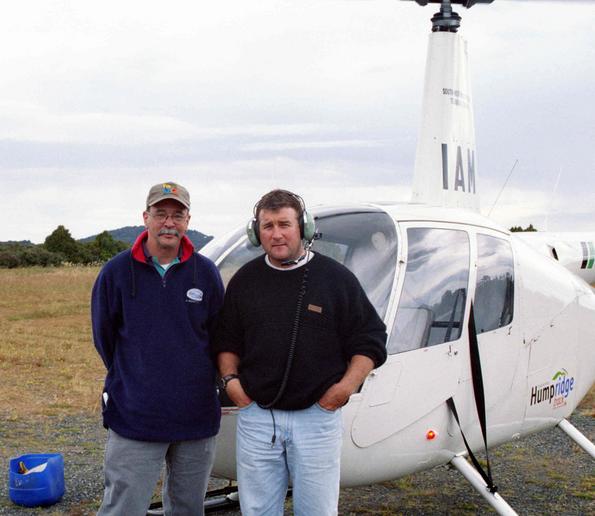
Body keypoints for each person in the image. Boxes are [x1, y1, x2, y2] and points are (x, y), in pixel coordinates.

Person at [213, 189, 387, 516]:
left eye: (284, 224)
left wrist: (343, 390)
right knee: (257, 511)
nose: (276, 234)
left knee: (317, 511)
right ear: (256, 232)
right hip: (257, 417)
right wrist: (232, 385)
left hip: (317, 419)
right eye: (267, 226)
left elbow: (370, 339)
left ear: (303, 228)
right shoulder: (245, 281)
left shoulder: (336, 279)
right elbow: (226, 342)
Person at [91, 182, 224, 516]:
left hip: (195, 416)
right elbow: (104, 337)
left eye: (177, 215)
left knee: (188, 507)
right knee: (125, 506)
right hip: (136, 415)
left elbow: (219, 337)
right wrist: (138, 376)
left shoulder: (205, 273)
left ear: (188, 220)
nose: (169, 222)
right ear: (145, 218)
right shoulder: (116, 272)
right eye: (160, 213)